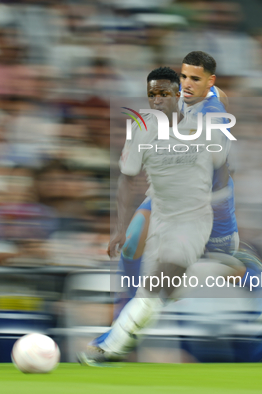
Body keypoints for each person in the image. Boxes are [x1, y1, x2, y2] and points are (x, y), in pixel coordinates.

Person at [79, 66, 230, 365]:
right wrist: (120, 229)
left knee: (158, 285)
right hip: (159, 207)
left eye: (163, 93)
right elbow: (127, 179)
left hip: (195, 215)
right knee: (146, 266)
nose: (156, 99)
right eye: (152, 94)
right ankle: (133, 312)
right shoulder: (141, 127)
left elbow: (222, 169)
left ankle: (112, 344)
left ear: (178, 93)